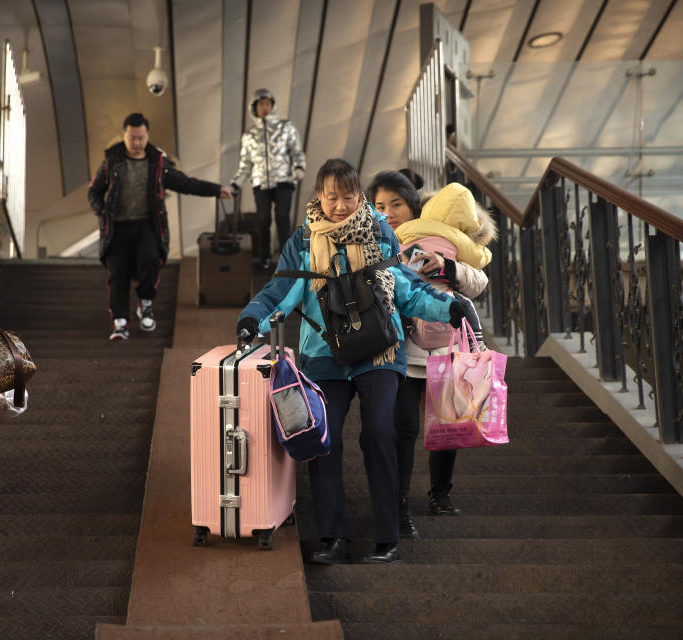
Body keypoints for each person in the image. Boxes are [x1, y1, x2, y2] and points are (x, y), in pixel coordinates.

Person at [236, 159, 476, 565]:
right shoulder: (302, 240)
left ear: (359, 195)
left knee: (378, 432)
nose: (341, 205)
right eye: (332, 197)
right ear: (318, 196)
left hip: (380, 351)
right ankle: (334, 537)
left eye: (349, 196)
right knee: (321, 438)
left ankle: (387, 537)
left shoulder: (379, 232)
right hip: (324, 354)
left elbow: (406, 286)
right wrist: (251, 319)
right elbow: (281, 291)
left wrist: (450, 308)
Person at [372, 176, 494, 526]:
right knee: (404, 428)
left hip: (449, 348)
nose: (389, 213)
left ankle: (440, 494)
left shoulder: (448, 243)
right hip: (404, 350)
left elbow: (480, 281)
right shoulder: (384, 244)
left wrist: (447, 267)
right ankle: (399, 503)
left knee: (449, 424)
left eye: (396, 204)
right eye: (381, 206)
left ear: (415, 207)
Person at [88, 112, 233, 340]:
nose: (137, 143)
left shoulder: (157, 163)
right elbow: (94, 190)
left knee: (149, 260)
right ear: (124, 135)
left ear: (147, 136)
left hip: (148, 225)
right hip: (117, 228)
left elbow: (185, 183)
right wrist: (101, 211)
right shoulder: (111, 161)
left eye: (141, 138)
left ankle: (145, 304)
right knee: (118, 273)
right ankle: (120, 323)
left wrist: (216, 190)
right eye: (132, 138)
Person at [231, 89, 306, 270]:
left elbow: (296, 150)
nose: (264, 107)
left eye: (267, 104)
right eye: (260, 104)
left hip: (284, 180)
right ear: (254, 108)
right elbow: (246, 163)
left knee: (282, 216)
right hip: (261, 182)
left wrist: (299, 167)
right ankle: (264, 259)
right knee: (263, 219)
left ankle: (287, 258)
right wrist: (236, 182)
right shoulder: (249, 135)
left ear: (273, 106)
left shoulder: (286, 126)